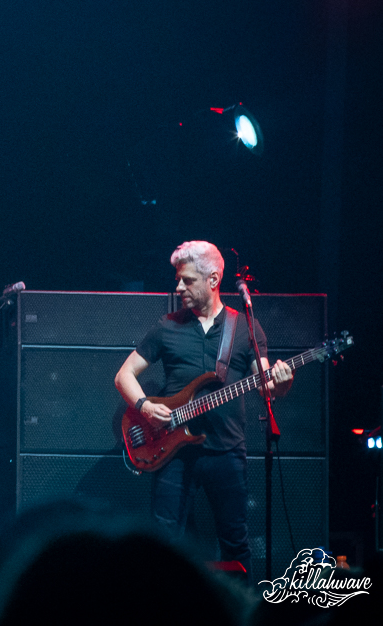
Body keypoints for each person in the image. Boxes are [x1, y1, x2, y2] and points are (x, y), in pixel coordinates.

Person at [114, 240, 293, 578]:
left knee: (236, 543)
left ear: (213, 279)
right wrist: (144, 406)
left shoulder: (246, 329)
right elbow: (124, 376)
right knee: (164, 541)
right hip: (171, 452)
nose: (178, 287)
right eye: (178, 279)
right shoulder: (167, 326)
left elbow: (267, 386)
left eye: (187, 280)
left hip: (226, 452)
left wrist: (283, 381)